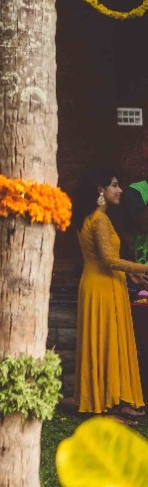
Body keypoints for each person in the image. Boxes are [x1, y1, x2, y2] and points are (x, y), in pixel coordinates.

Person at [78, 172, 148, 416]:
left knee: (105, 341)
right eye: (115, 185)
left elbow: (105, 258)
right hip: (103, 287)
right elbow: (109, 260)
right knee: (109, 342)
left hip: (102, 284)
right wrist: (142, 267)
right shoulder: (99, 220)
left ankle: (106, 397)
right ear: (100, 189)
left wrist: (130, 274)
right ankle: (112, 400)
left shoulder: (93, 218)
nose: (120, 191)